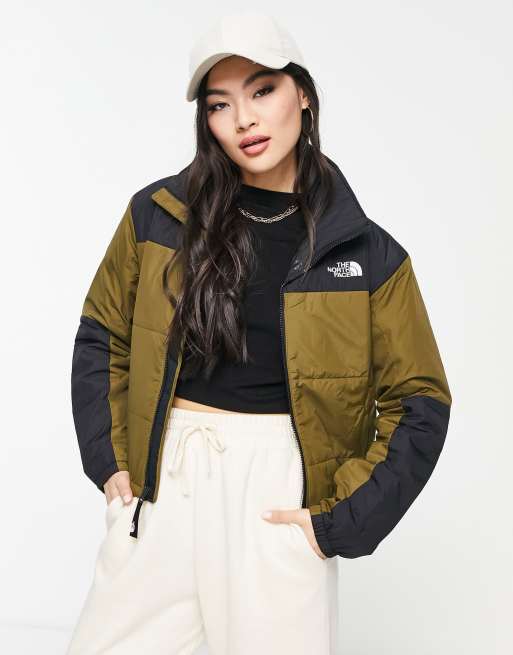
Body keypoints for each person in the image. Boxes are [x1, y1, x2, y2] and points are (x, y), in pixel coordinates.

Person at [66, 11, 452, 655]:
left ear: (303, 95)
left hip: (276, 492)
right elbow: (103, 336)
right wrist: (112, 467)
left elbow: (422, 400)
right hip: (165, 480)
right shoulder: (157, 217)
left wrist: (338, 522)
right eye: (220, 105)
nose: (243, 119)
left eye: (263, 90)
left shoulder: (368, 255)